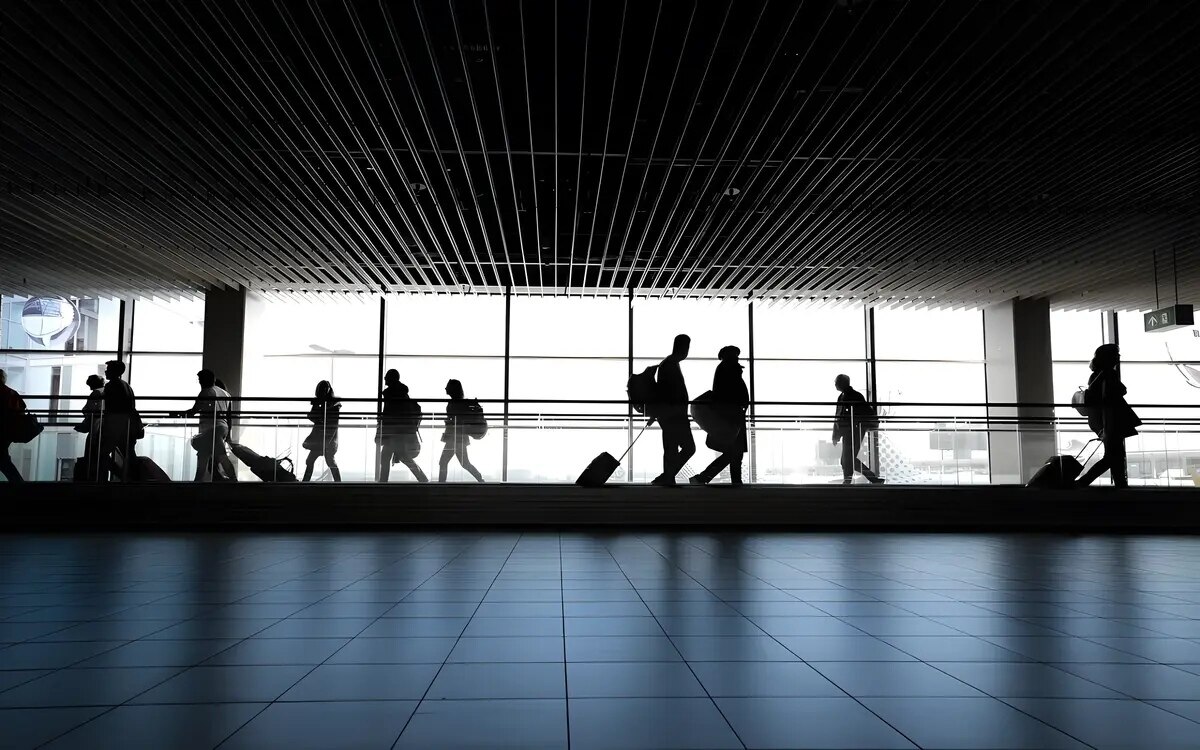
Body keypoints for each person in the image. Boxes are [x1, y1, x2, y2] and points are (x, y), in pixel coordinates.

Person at [1077, 343, 1140, 488]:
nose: (1119, 357)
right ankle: (1084, 482)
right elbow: (1118, 393)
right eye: (1116, 354)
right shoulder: (1109, 374)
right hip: (1110, 420)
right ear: (1108, 357)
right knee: (1113, 456)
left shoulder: (1095, 375)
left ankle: (1120, 484)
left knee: (1114, 454)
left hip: (1100, 420)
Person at [691, 345, 749, 485]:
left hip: (730, 414)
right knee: (735, 451)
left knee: (734, 452)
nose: (737, 358)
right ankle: (706, 477)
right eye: (735, 355)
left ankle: (706, 477)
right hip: (731, 415)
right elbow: (731, 393)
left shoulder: (724, 368)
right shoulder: (729, 368)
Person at [175, 369, 237, 482]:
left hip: (212, 429)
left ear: (205, 380)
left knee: (220, 456)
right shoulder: (226, 394)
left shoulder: (206, 392)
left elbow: (193, 411)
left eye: (200, 380)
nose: (200, 383)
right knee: (204, 456)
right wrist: (228, 435)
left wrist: (179, 414)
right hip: (222, 428)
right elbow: (229, 417)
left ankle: (234, 481)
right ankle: (199, 482)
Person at [652, 334, 696, 487]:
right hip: (674, 414)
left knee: (671, 448)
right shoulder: (670, 364)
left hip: (670, 413)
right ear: (682, 347)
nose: (687, 351)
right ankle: (667, 476)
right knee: (688, 448)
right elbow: (668, 392)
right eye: (687, 347)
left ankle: (667, 477)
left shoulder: (669, 363)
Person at [833, 374, 884, 485]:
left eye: (837, 382)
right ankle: (871, 479)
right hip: (850, 431)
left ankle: (849, 481)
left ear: (843, 383)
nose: (835, 384)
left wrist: (836, 434)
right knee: (847, 459)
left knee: (847, 459)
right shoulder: (849, 396)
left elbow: (838, 417)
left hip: (853, 432)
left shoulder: (850, 396)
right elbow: (838, 417)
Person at [379, 369, 428, 483]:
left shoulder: (390, 395)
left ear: (391, 378)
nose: (385, 379)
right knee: (403, 457)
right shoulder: (402, 394)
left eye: (386, 377)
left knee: (387, 458)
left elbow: (387, 415)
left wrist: (383, 432)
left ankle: (383, 483)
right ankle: (422, 479)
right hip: (402, 432)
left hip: (393, 432)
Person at [98, 360, 138, 482]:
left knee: (102, 455)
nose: (106, 371)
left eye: (108, 369)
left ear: (114, 371)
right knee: (129, 454)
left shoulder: (111, 386)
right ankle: (133, 478)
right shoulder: (127, 386)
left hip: (115, 424)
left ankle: (121, 476)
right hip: (127, 425)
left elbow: (110, 408)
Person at [438, 379, 483, 483]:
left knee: (444, 462)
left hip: (454, 437)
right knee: (464, 463)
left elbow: (454, 419)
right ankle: (480, 479)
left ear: (452, 389)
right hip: (459, 437)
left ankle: (441, 485)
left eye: (448, 386)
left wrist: (449, 421)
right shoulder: (462, 402)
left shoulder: (455, 403)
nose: (446, 388)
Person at [302, 380, 341, 482]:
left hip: (326, 438)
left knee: (325, 461)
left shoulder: (331, 404)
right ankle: (338, 483)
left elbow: (332, 424)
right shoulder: (332, 404)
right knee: (328, 461)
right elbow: (311, 416)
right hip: (324, 438)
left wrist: (319, 417)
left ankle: (305, 482)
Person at [75, 374, 105, 480]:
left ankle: (90, 478)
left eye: (90, 384)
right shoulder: (105, 391)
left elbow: (88, 410)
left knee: (91, 452)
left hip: (95, 427)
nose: (89, 387)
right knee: (101, 455)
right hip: (103, 427)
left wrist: (84, 423)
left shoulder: (96, 393)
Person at [0, 369, 27, 482]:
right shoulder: (10, 393)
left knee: (3, 459)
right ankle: (18, 484)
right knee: (3, 458)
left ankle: (18, 483)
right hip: (6, 429)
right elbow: (21, 408)